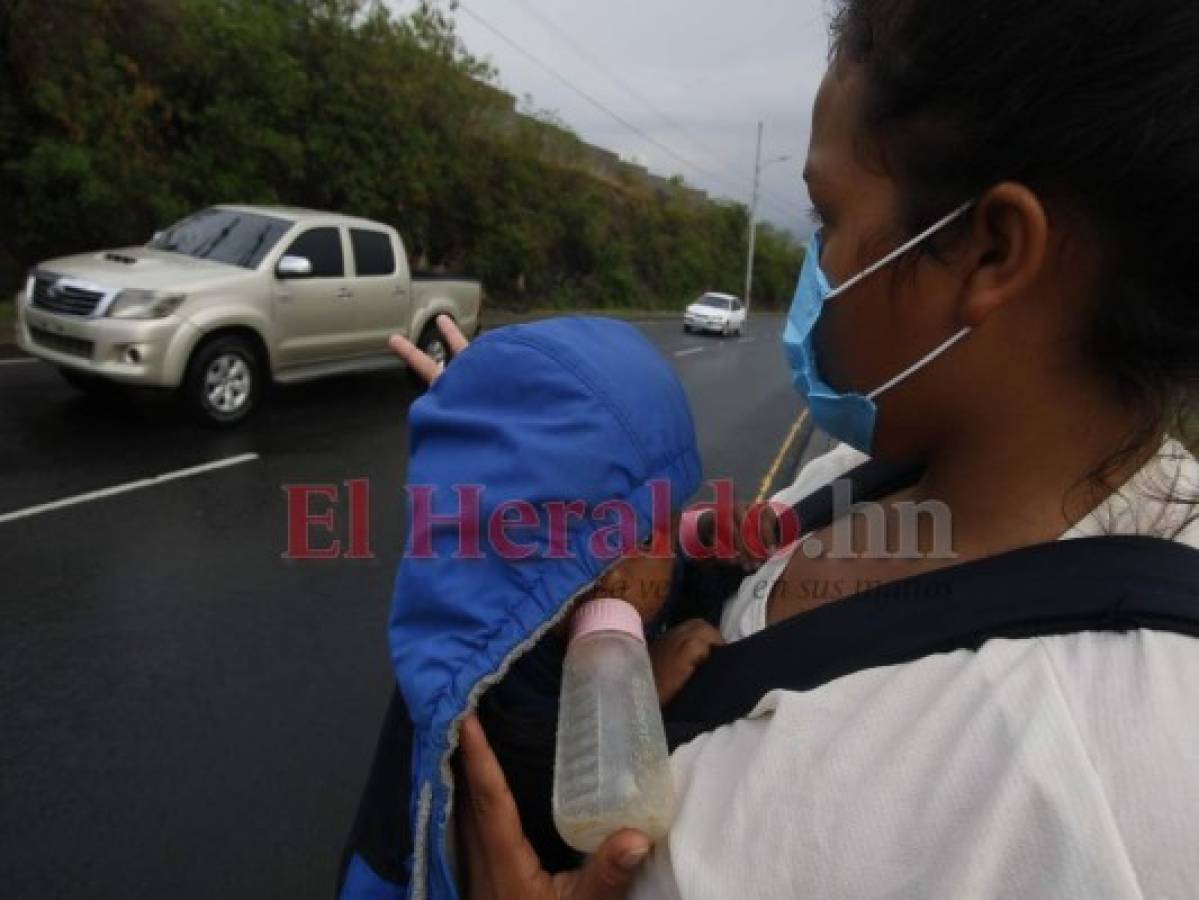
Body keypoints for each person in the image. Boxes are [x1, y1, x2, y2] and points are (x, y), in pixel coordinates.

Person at [379, 0, 1199, 894]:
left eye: (828, 216)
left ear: (990, 254)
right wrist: (526, 444)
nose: (814, 268)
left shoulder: (1077, 792)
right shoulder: (871, 470)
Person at [338, 317, 725, 899]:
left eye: (661, 524)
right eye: (648, 534)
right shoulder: (495, 681)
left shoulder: (601, 584)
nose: (624, 572)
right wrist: (642, 692)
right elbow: (554, 778)